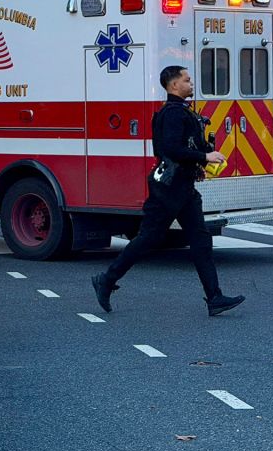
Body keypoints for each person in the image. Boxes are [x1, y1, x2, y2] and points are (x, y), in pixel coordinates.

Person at [91, 65, 245, 317]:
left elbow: (180, 147)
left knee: (200, 240)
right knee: (148, 239)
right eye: (187, 79)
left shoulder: (181, 112)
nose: (191, 83)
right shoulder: (173, 114)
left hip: (183, 187)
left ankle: (215, 298)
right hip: (168, 189)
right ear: (174, 85)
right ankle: (106, 280)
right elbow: (170, 150)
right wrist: (204, 156)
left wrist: (199, 161)